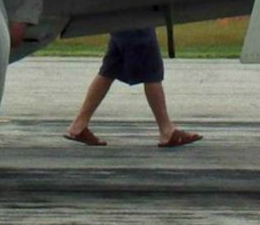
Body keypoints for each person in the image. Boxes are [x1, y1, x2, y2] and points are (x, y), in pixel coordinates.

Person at [63, 28, 201, 148]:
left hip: (121, 14)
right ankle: (166, 130)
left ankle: (79, 125)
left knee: (111, 68)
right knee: (152, 70)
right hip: (136, 13)